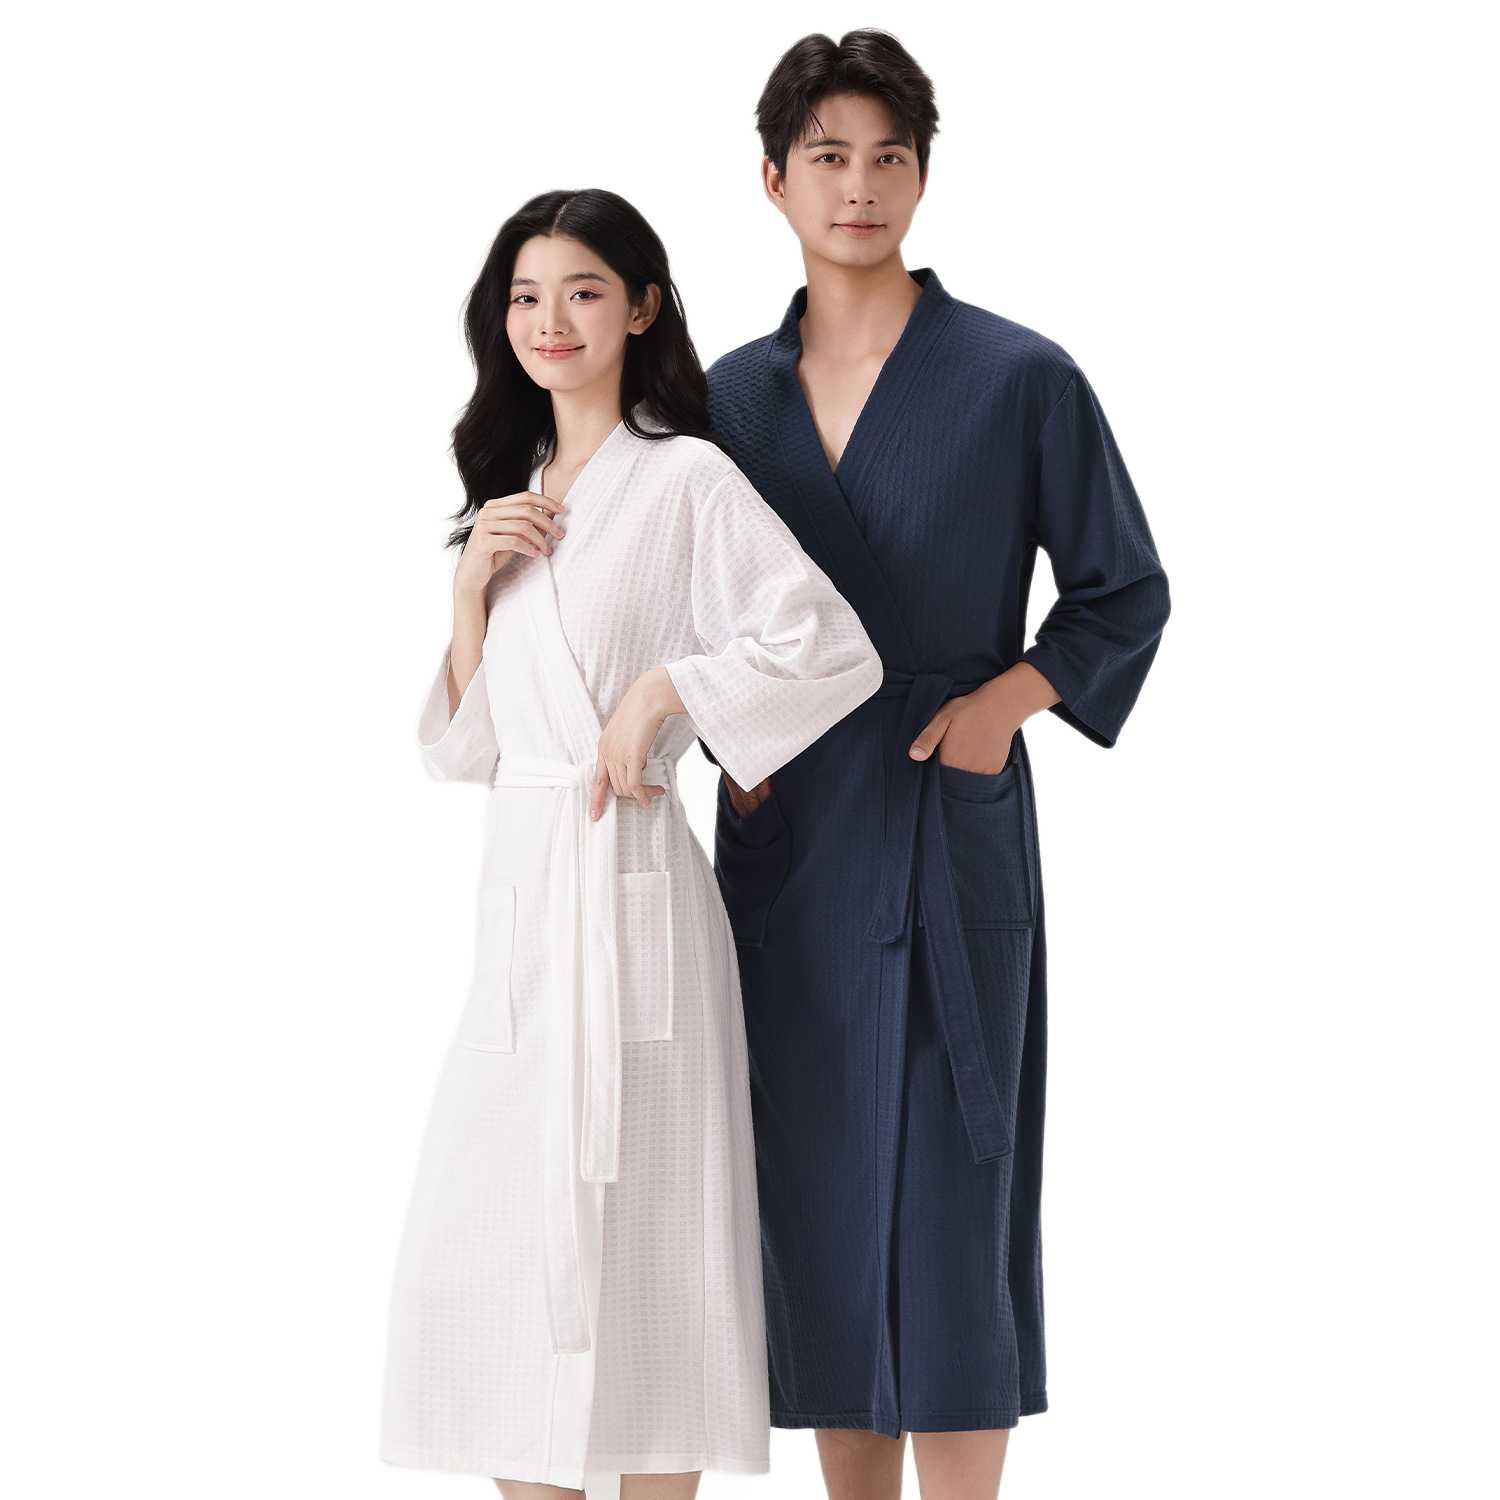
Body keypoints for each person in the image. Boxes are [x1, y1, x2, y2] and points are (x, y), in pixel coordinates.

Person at [703, 31, 1172, 1500]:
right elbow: (676, 612)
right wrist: (732, 751)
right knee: (820, 1187)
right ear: (773, 180)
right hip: (793, 832)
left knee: (957, 1197)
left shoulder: (1018, 377)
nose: (858, 186)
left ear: (923, 176)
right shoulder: (727, 400)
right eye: (827, 157)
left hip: (944, 810)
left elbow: (1122, 590)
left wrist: (1003, 707)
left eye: (887, 157)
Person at [379, 188, 884, 1496]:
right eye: (525, 296)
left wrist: (672, 693)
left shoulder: (685, 480)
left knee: (653, 1258)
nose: (549, 320)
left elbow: (831, 647)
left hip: (637, 897)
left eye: (583, 291)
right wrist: (469, 589)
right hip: (528, 918)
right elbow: (472, 754)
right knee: (485, 1265)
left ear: (643, 307)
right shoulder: (512, 501)